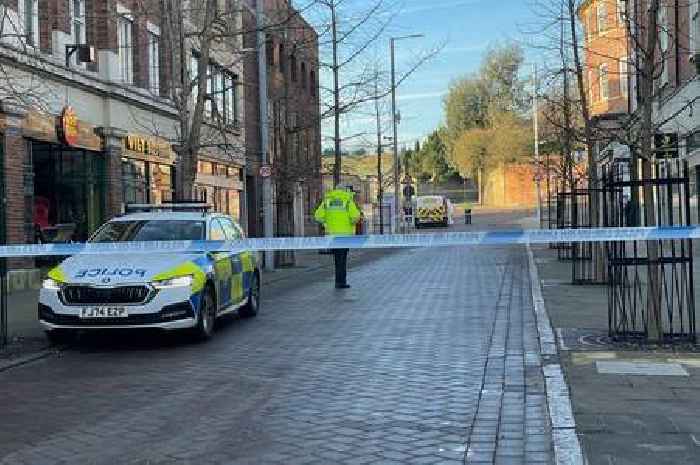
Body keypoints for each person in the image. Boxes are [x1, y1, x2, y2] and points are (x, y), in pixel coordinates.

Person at [314, 187, 361, 289]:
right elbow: (356, 216)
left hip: (331, 235)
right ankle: (341, 282)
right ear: (344, 191)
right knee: (342, 258)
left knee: (337, 258)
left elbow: (318, 216)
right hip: (345, 235)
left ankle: (339, 281)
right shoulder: (347, 200)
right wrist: (351, 224)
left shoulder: (327, 200)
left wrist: (326, 223)